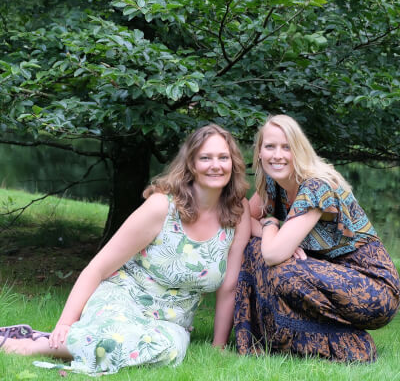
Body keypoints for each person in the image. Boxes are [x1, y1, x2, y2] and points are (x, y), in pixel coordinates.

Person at [0, 124, 251, 375]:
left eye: (223, 157)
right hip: (124, 298)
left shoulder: (237, 212)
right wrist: (65, 322)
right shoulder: (162, 207)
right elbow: (97, 268)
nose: (216, 165)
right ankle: (33, 346)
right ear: (191, 164)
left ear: (233, 163)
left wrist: (218, 345)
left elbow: (229, 287)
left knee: (166, 351)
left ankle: (70, 340)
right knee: (114, 338)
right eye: (205, 158)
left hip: (170, 323)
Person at [234, 114, 400, 362]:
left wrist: (270, 225)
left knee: (281, 268)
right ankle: (273, 339)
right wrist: (274, 232)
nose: (277, 155)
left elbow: (273, 254)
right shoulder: (274, 182)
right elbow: (244, 218)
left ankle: (353, 345)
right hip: (327, 275)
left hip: (374, 288)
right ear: (259, 152)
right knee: (254, 248)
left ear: (299, 150)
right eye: (270, 146)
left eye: (287, 147)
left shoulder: (315, 186)